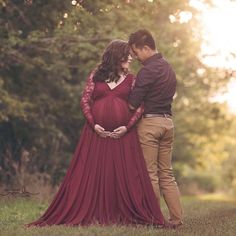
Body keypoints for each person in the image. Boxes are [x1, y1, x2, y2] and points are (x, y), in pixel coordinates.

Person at [26, 40, 165, 227]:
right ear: (116, 55)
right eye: (127, 54)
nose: (131, 58)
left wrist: (127, 127)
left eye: (132, 54)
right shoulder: (96, 76)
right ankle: (92, 211)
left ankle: (123, 212)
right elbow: (85, 101)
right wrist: (94, 125)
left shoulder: (132, 80)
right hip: (95, 135)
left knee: (126, 176)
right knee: (89, 174)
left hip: (123, 136)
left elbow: (140, 105)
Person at [128, 29, 183, 228]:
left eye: (136, 52)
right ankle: (176, 219)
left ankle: (154, 218)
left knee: (150, 173)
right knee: (166, 173)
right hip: (168, 123)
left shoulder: (147, 70)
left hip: (150, 124)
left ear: (146, 48)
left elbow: (133, 103)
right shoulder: (168, 68)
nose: (135, 57)